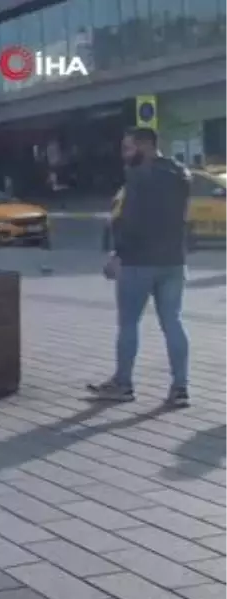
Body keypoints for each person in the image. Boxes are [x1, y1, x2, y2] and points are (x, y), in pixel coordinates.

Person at [90, 127, 191, 406]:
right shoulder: (181, 174)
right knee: (173, 322)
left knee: (128, 323)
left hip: (138, 261)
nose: (125, 155)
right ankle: (180, 388)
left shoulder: (138, 177)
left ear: (145, 147)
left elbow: (131, 220)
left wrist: (118, 254)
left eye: (129, 148)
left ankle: (123, 384)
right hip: (173, 261)